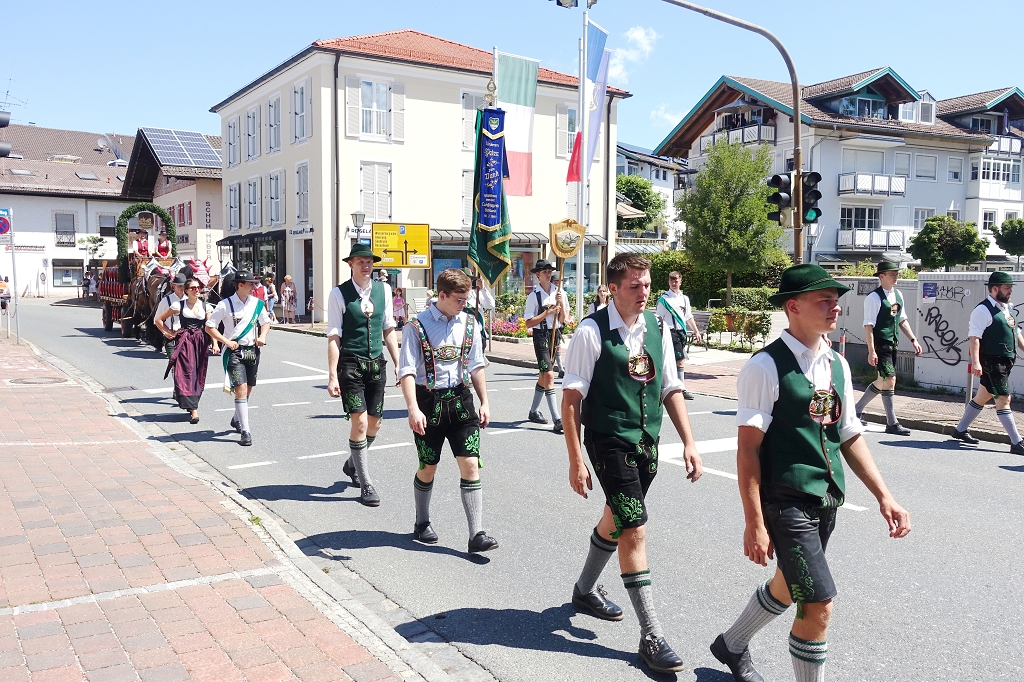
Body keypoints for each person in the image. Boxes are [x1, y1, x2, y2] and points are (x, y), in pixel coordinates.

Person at [712, 264, 911, 682]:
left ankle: (731, 644)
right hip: (785, 500)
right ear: (793, 307)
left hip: (826, 498)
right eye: (824, 300)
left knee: (788, 585)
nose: (835, 307)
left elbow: (849, 434)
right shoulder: (765, 367)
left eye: (836, 300)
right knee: (818, 605)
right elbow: (748, 450)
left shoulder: (837, 363)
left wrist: (885, 496)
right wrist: (754, 521)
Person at [563, 253, 703, 674]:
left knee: (617, 517)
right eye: (634, 286)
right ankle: (652, 634)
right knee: (635, 528)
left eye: (647, 284)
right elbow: (571, 400)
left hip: (647, 441)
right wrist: (575, 459)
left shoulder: (657, 327)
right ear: (613, 289)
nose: (644, 292)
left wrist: (689, 443)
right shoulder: (591, 331)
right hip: (608, 440)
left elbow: (670, 387)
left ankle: (584, 590)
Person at [399, 268, 498, 552]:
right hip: (428, 403)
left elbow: (476, 365)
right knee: (428, 467)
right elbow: (407, 371)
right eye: (459, 299)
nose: (464, 304)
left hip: (461, 401)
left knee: (470, 465)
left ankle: (476, 534)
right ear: (442, 295)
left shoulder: (470, 323)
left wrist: (485, 402)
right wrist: (412, 409)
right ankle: (422, 521)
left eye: (466, 299)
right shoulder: (416, 326)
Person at [327, 244, 401, 506]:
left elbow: (388, 327)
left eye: (369, 261)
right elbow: (334, 335)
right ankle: (366, 482)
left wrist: (398, 363)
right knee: (359, 423)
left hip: (376, 364)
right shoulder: (338, 294)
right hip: (350, 363)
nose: (366, 266)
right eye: (360, 261)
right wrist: (332, 376)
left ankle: (352, 463)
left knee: (374, 424)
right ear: (351, 264)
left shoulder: (384, 290)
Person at [951, 271, 1024, 453]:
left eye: (1010, 288)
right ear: (994, 289)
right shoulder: (982, 310)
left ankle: (960, 430)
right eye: (1007, 288)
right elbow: (974, 338)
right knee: (1003, 398)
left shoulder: (1008, 308)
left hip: (1006, 361)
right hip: (992, 361)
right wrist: (976, 362)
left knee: (983, 396)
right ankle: (1016, 442)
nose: (1010, 291)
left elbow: (1017, 334)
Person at [853, 261, 922, 434]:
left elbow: (901, 320)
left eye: (897, 274)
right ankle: (892, 423)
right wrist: (871, 350)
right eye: (892, 274)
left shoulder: (897, 295)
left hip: (892, 343)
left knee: (882, 381)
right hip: (881, 343)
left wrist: (913, 339)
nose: (896, 277)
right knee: (890, 380)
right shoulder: (873, 298)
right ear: (881, 276)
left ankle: (855, 411)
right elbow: (868, 325)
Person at [205, 271, 272, 447]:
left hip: (252, 351)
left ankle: (236, 419)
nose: (254, 287)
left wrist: (262, 336)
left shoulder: (257, 304)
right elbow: (209, 327)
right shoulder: (224, 305)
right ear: (240, 285)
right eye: (250, 284)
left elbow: (265, 323)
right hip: (234, 352)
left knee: (248, 389)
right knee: (240, 389)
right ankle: (245, 431)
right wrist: (225, 341)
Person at [156, 278, 217, 423]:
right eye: (193, 288)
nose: (197, 290)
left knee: (198, 371)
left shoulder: (206, 306)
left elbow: (211, 326)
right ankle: (193, 410)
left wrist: (215, 343)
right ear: (187, 291)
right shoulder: (178, 305)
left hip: (200, 341)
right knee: (187, 371)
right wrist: (168, 332)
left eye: (198, 287)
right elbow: (158, 320)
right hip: (185, 341)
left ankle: (192, 401)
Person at [523, 260, 569, 433]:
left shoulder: (560, 293)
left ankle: (533, 411)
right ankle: (557, 419)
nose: (548, 274)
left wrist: (561, 305)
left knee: (544, 375)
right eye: (545, 272)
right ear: (538, 274)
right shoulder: (534, 296)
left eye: (550, 271)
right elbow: (528, 323)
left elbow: (564, 319)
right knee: (549, 374)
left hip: (555, 334)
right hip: (541, 336)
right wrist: (547, 312)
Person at [655, 271, 702, 400]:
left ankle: (672, 386)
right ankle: (681, 389)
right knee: (680, 360)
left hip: (682, 332)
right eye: (671, 281)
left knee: (676, 361)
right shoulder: (664, 300)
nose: (674, 283)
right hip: (670, 332)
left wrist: (696, 331)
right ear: (668, 282)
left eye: (676, 281)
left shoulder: (684, 299)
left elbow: (688, 316)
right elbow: (659, 318)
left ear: (680, 282)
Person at [154, 273, 187, 360]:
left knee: (184, 363)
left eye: (184, 286)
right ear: (173, 286)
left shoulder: (189, 300)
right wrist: (166, 332)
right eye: (179, 286)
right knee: (173, 362)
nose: (182, 288)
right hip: (171, 336)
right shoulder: (166, 301)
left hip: (186, 336)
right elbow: (156, 320)